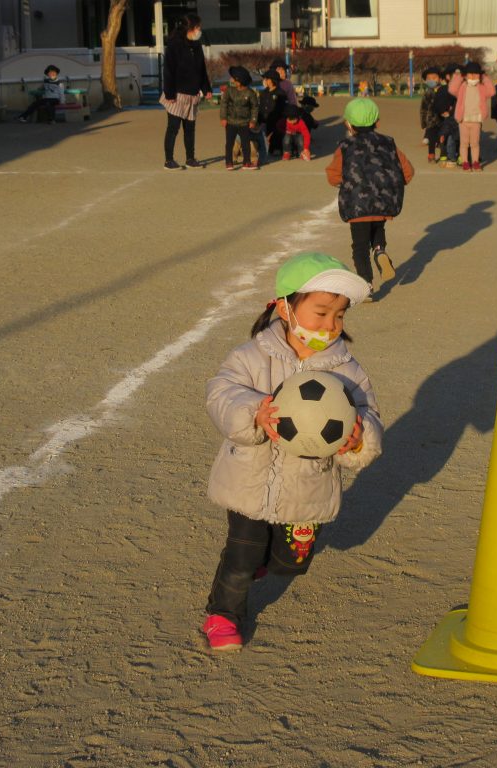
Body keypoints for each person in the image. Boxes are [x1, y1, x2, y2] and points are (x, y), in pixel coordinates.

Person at [201, 251, 383, 651]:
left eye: (339, 315)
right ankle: (223, 615)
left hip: (307, 488)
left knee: (291, 562)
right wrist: (254, 413)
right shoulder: (251, 356)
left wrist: (359, 437)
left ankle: (267, 561)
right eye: (321, 313)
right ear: (285, 309)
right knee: (241, 555)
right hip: (248, 480)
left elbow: (369, 412)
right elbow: (220, 392)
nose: (330, 325)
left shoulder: (347, 369)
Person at [325, 98, 414, 289]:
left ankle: (366, 284)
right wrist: (391, 186)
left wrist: (345, 183)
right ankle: (380, 251)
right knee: (377, 228)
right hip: (383, 202)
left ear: (348, 125)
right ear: (377, 122)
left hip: (357, 204)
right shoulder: (389, 143)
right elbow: (407, 171)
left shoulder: (345, 146)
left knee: (360, 246)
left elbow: (333, 176)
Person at [160, 13, 212, 169]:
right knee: (173, 128)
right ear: (189, 28)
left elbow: (201, 69)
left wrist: (206, 88)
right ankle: (169, 160)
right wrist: (169, 93)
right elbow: (168, 70)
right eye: (197, 27)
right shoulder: (174, 45)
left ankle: (190, 158)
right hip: (176, 94)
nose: (199, 30)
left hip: (193, 94)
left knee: (190, 129)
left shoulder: (196, 45)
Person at [448, 62, 496, 171]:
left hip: (476, 120)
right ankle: (465, 162)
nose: (473, 76)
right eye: (470, 74)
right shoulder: (462, 87)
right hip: (463, 120)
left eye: (476, 74)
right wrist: (460, 76)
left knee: (475, 143)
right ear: (465, 75)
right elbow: (452, 89)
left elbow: (492, 91)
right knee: (464, 143)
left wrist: (484, 77)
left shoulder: (481, 87)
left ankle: (475, 162)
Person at [220, 65, 259, 170]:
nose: (231, 80)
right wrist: (223, 118)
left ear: (240, 81)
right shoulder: (229, 91)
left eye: (234, 78)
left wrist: (253, 120)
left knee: (246, 144)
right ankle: (229, 163)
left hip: (244, 123)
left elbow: (255, 107)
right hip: (230, 122)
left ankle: (246, 162)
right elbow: (224, 104)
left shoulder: (250, 93)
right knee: (229, 144)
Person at [432, 63, 461, 167]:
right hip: (447, 119)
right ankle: (448, 156)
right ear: (448, 76)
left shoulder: (463, 88)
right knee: (448, 136)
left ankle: (462, 156)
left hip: (460, 118)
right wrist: (443, 111)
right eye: (456, 75)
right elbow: (437, 104)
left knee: (461, 137)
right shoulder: (443, 89)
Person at [258, 69, 287, 159]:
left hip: (277, 120)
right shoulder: (263, 93)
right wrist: (259, 119)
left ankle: (277, 148)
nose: (266, 81)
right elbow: (261, 107)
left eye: (267, 79)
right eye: (265, 79)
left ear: (273, 80)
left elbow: (283, 108)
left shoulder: (281, 93)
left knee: (277, 132)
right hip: (264, 119)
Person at [419, 67, 443, 160]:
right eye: (428, 78)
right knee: (431, 137)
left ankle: (443, 154)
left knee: (443, 136)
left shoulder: (443, 91)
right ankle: (431, 154)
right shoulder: (427, 93)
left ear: (440, 79)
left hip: (443, 119)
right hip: (431, 119)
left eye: (434, 78)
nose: (431, 80)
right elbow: (423, 108)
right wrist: (423, 122)